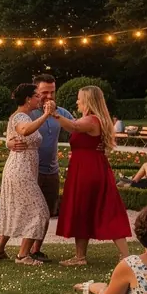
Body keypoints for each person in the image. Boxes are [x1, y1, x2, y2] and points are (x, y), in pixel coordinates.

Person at [51, 86, 131, 267]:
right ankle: (80, 256)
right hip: (87, 167)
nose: (77, 101)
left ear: (88, 100)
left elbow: (73, 126)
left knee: (103, 208)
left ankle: (124, 255)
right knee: (85, 209)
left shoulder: (92, 120)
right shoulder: (94, 119)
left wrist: (53, 113)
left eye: (79, 98)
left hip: (88, 170)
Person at [9, 74, 73, 263]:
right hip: (31, 169)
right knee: (33, 210)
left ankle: (36, 249)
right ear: (36, 92)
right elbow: (14, 129)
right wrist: (9, 144)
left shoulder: (61, 112)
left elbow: (76, 127)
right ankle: (22, 252)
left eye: (52, 92)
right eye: (44, 92)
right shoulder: (30, 112)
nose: (49, 96)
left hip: (51, 169)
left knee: (48, 210)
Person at [0, 84, 55, 265]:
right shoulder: (21, 116)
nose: (40, 98)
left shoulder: (22, 116)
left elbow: (13, 135)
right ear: (28, 99)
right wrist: (45, 115)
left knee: (13, 208)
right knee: (40, 211)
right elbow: (24, 130)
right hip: (20, 170)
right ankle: (22, 255)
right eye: (36, 96)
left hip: (23, 169)